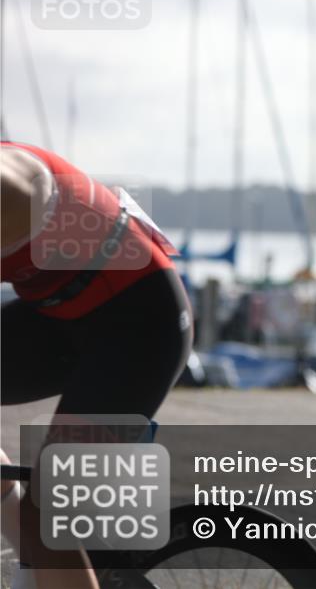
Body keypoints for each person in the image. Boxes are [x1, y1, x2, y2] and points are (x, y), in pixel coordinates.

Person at [1, 141, 193, 588]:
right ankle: (32, 573)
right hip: (55, 317)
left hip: (140, 326)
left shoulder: (8, 187)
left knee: (49, 509)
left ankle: (42, 557)